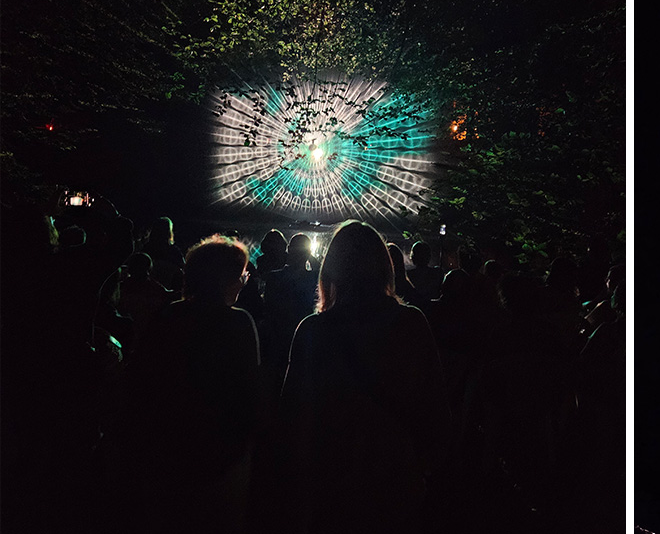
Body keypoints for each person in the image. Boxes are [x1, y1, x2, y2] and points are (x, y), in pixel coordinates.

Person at [268, 221, 450, 534]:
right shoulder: (410, 323)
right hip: (395, 475)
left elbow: (292, 416)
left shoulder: (313, 330)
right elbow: (435, 407)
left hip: (330, 479)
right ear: (385, 268)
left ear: (332, 268)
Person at [106, 235, 262, 534]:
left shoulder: (169, 315)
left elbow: (141, 380)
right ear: (226, 279)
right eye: (242, 275)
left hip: (167, 448)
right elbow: (249, 389)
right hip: (218, 450)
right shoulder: (238, 322)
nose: (244, 282)